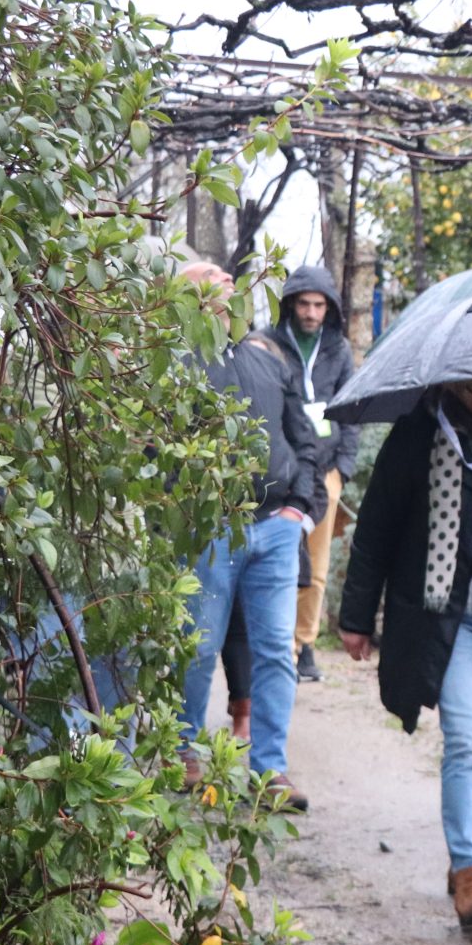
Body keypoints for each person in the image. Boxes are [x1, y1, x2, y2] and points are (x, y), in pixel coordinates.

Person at [338, 375, 472, 925]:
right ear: (456, 391)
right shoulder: (421, 433)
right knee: (468, 739)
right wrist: (356, 617)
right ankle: (469, 871)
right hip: (446, 617)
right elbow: (376, 526)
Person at [176, 260, 319, 810]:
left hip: (275, 528)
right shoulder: (177, 365)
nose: (225, 280)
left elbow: (304, 438)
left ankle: (269, 770)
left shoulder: (267, 359)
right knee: (198, 646)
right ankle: (184, 751)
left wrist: (299, 506)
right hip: (209, 529)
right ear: (187, 300)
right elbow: (155, 446)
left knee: (277, 652)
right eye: (210, 276)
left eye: (226, 276)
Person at [273, 265, 359, 683]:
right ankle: (280, 647)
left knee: (318, 565)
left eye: (318, 305)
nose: (310, 313)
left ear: (330, 308)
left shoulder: (339, 350)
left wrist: (344, 465)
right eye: (304, 304)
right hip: (284, 470)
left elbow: (351, 407)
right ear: (291, 304)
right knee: (282, 559)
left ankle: (304, 644)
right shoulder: (272, 344)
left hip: (326, 470)